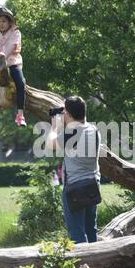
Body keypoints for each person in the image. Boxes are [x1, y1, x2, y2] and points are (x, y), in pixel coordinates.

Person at [46, 96, 101, 243]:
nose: (63, 114)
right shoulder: (93, 129)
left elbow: (50, 144)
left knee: (77, 234)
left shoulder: (72, 133)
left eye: (65, 111)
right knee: (91, 230)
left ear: (69, 114)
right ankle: (96, 262)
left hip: (75, 188)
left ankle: (82, 265)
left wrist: (55, 127)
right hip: (93, 184)